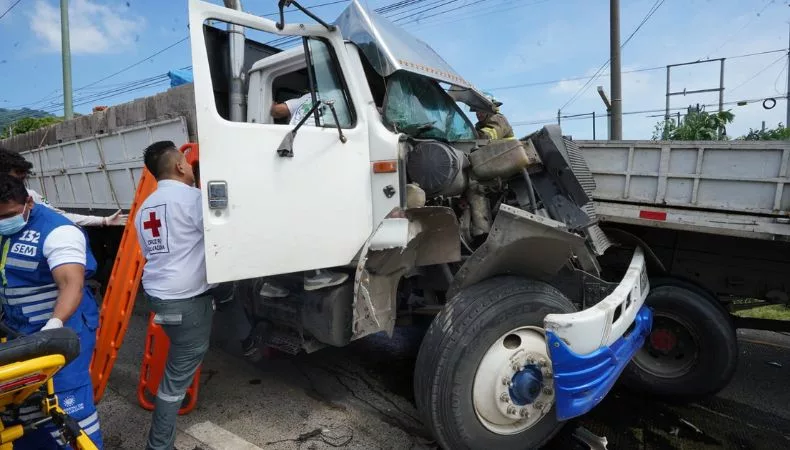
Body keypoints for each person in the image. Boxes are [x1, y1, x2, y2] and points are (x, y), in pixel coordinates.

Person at [0, 174, 103, 448]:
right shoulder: (6, 231)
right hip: (19, 334)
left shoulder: (58, 231)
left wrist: (53, 327)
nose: (3, 222)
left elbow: (71, 284)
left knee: (68, 409)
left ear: (28, 202)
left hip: (59, 335)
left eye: (8, 215)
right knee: (22, 410)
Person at [135, 140, 216, 450]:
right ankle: (159, 446)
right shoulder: (193, 200)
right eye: (187, 161)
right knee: (174, 381)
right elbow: (220, 238)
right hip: (185, 301)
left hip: (158, 297)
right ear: (181, 166)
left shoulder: (145, 208)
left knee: (179, 351)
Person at [266, 93, 349, 297]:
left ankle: (271, 281)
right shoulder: (341, 97)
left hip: (290, 157)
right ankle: (314, 274)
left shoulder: (304, 98)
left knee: (288, 220)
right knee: (313, 217)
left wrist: (271, 100)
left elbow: (275, 111)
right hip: (311, 159)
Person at [0, 147, 127, 227]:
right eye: (17, 177)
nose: (22, 183)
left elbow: (58, 216)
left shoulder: (30, 195)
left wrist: (104, 220)